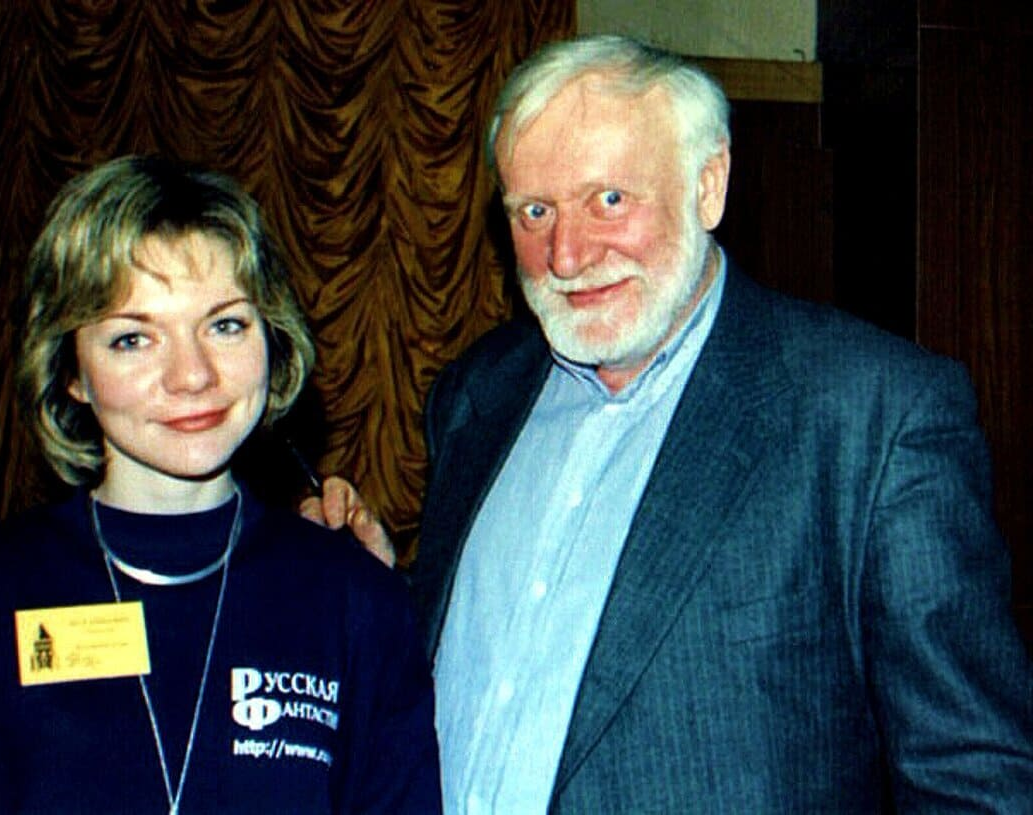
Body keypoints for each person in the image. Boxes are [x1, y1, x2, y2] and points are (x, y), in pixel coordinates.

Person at [303, 35, 1033, 812]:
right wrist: (381, 594)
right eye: (535, 211)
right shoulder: (477, 392)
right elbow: (504, 663)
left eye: (609, 200)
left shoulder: (870, 418)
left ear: (708, 185)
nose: (566, 255)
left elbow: (973, 776)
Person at [0, 156, 442, 814]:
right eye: (133, 339)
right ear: (71, 371)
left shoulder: (356, 602)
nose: (192, 375)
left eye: (225, 325)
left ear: (273, 336)